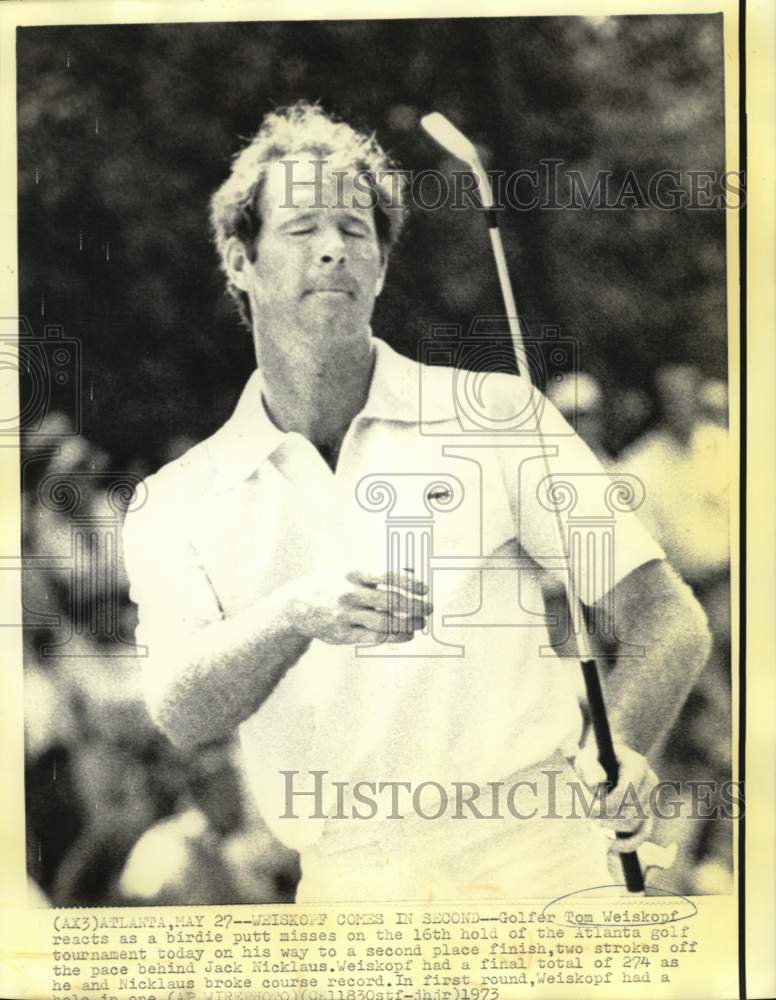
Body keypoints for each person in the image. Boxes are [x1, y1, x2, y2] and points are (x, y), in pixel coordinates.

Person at [122, 101, 711, 902]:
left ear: (382, 265)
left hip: (542, 862)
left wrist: (627, 752)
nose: (333, 249)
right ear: (239, 258)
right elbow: (181, 710)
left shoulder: (499, 417)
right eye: (301, 229)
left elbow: (668, 615)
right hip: (353, 892)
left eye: (356, 230)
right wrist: (295, 612)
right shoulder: (176, 499)